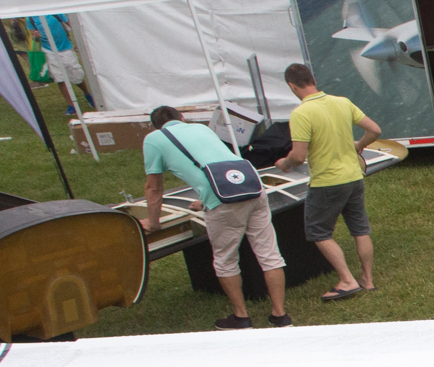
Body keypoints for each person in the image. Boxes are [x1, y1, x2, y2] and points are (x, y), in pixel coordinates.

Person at [144, 106, 289, 330]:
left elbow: (154, 188)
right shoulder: (202, 129)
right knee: (270, 254)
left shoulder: (154, 139)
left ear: (155, 126)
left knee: (226, 260)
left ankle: (241, 317)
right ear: (182, 118)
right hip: (252, 185)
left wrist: (153, 223)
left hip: (221, 199)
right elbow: (219, 164)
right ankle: (280, 315)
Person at [276, 63, 381, 303]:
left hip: (327, 182)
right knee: (359, 229)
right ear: (313, 79)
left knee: (318, 232)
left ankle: (347, 280)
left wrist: (285, 163)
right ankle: (367, 279)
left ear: (292, 86)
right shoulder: (342, 102)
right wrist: (359, 145)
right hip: (354, 177)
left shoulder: (301, 113)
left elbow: (299, 156)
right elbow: (374, 129)